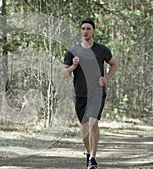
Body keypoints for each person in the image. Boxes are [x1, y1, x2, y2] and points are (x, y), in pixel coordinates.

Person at [62, 19, 118, 169]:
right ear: (81, 31)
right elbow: (63, 74)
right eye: (83, 28)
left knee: (93, 123)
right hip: (80, 93)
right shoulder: (73, 51)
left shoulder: (102, 50)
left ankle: (93, 159)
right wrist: (73, 66)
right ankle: (87, 152)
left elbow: (114, 64)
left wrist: (106, 78)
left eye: (88, 28)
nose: (85, 31)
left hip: (97, 92)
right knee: (85, 126)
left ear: (93, 31)